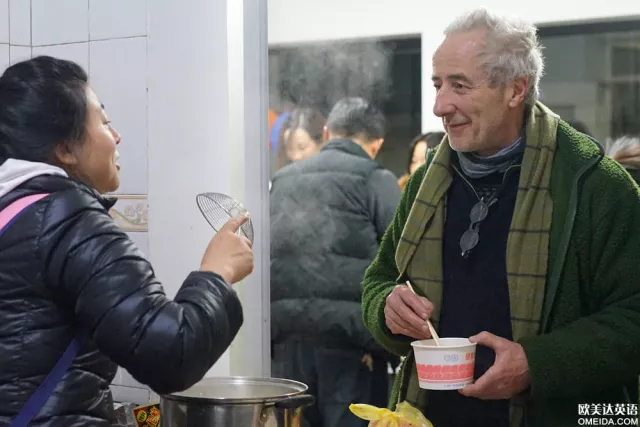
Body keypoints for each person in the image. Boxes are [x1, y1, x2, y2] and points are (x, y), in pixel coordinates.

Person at [362, 8, 640, 427]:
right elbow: (378, 281)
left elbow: (633, 317)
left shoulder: (595, 186)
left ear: (515, 90)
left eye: (460, 86)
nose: (440, 106)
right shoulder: (424, 185)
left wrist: (536, 363)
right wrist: (386, 307)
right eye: (438, 85)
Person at [0, 56, 254, 426]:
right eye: (103, 121)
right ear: (66, 148)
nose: (116, 136)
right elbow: (170, 355)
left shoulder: (14, 210)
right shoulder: (67, 218)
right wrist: (217, 273)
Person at [270, 97, 401, 427]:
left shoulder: (284, 179)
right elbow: (400, 260)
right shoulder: (376, 179)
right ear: (376, 144)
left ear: (327, 132)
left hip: (289, 342)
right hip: (353, 343)